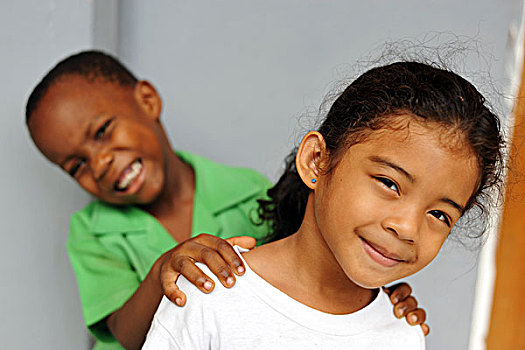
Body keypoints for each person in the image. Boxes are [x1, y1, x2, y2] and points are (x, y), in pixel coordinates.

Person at [26, 51, 428, 349]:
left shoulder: (247, 191)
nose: (100, 164)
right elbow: (126, 335)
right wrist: (163, 272)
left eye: (103, 132)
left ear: (147, 101)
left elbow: (310, 271)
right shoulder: (91, 231)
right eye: (76, 165)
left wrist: (372, 302)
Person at [143, 61, 504, 349]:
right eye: (389, 183)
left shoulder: (403, 334)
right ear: (316, 161)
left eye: (440, 214)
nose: (407, 227)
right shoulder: (211, 294)